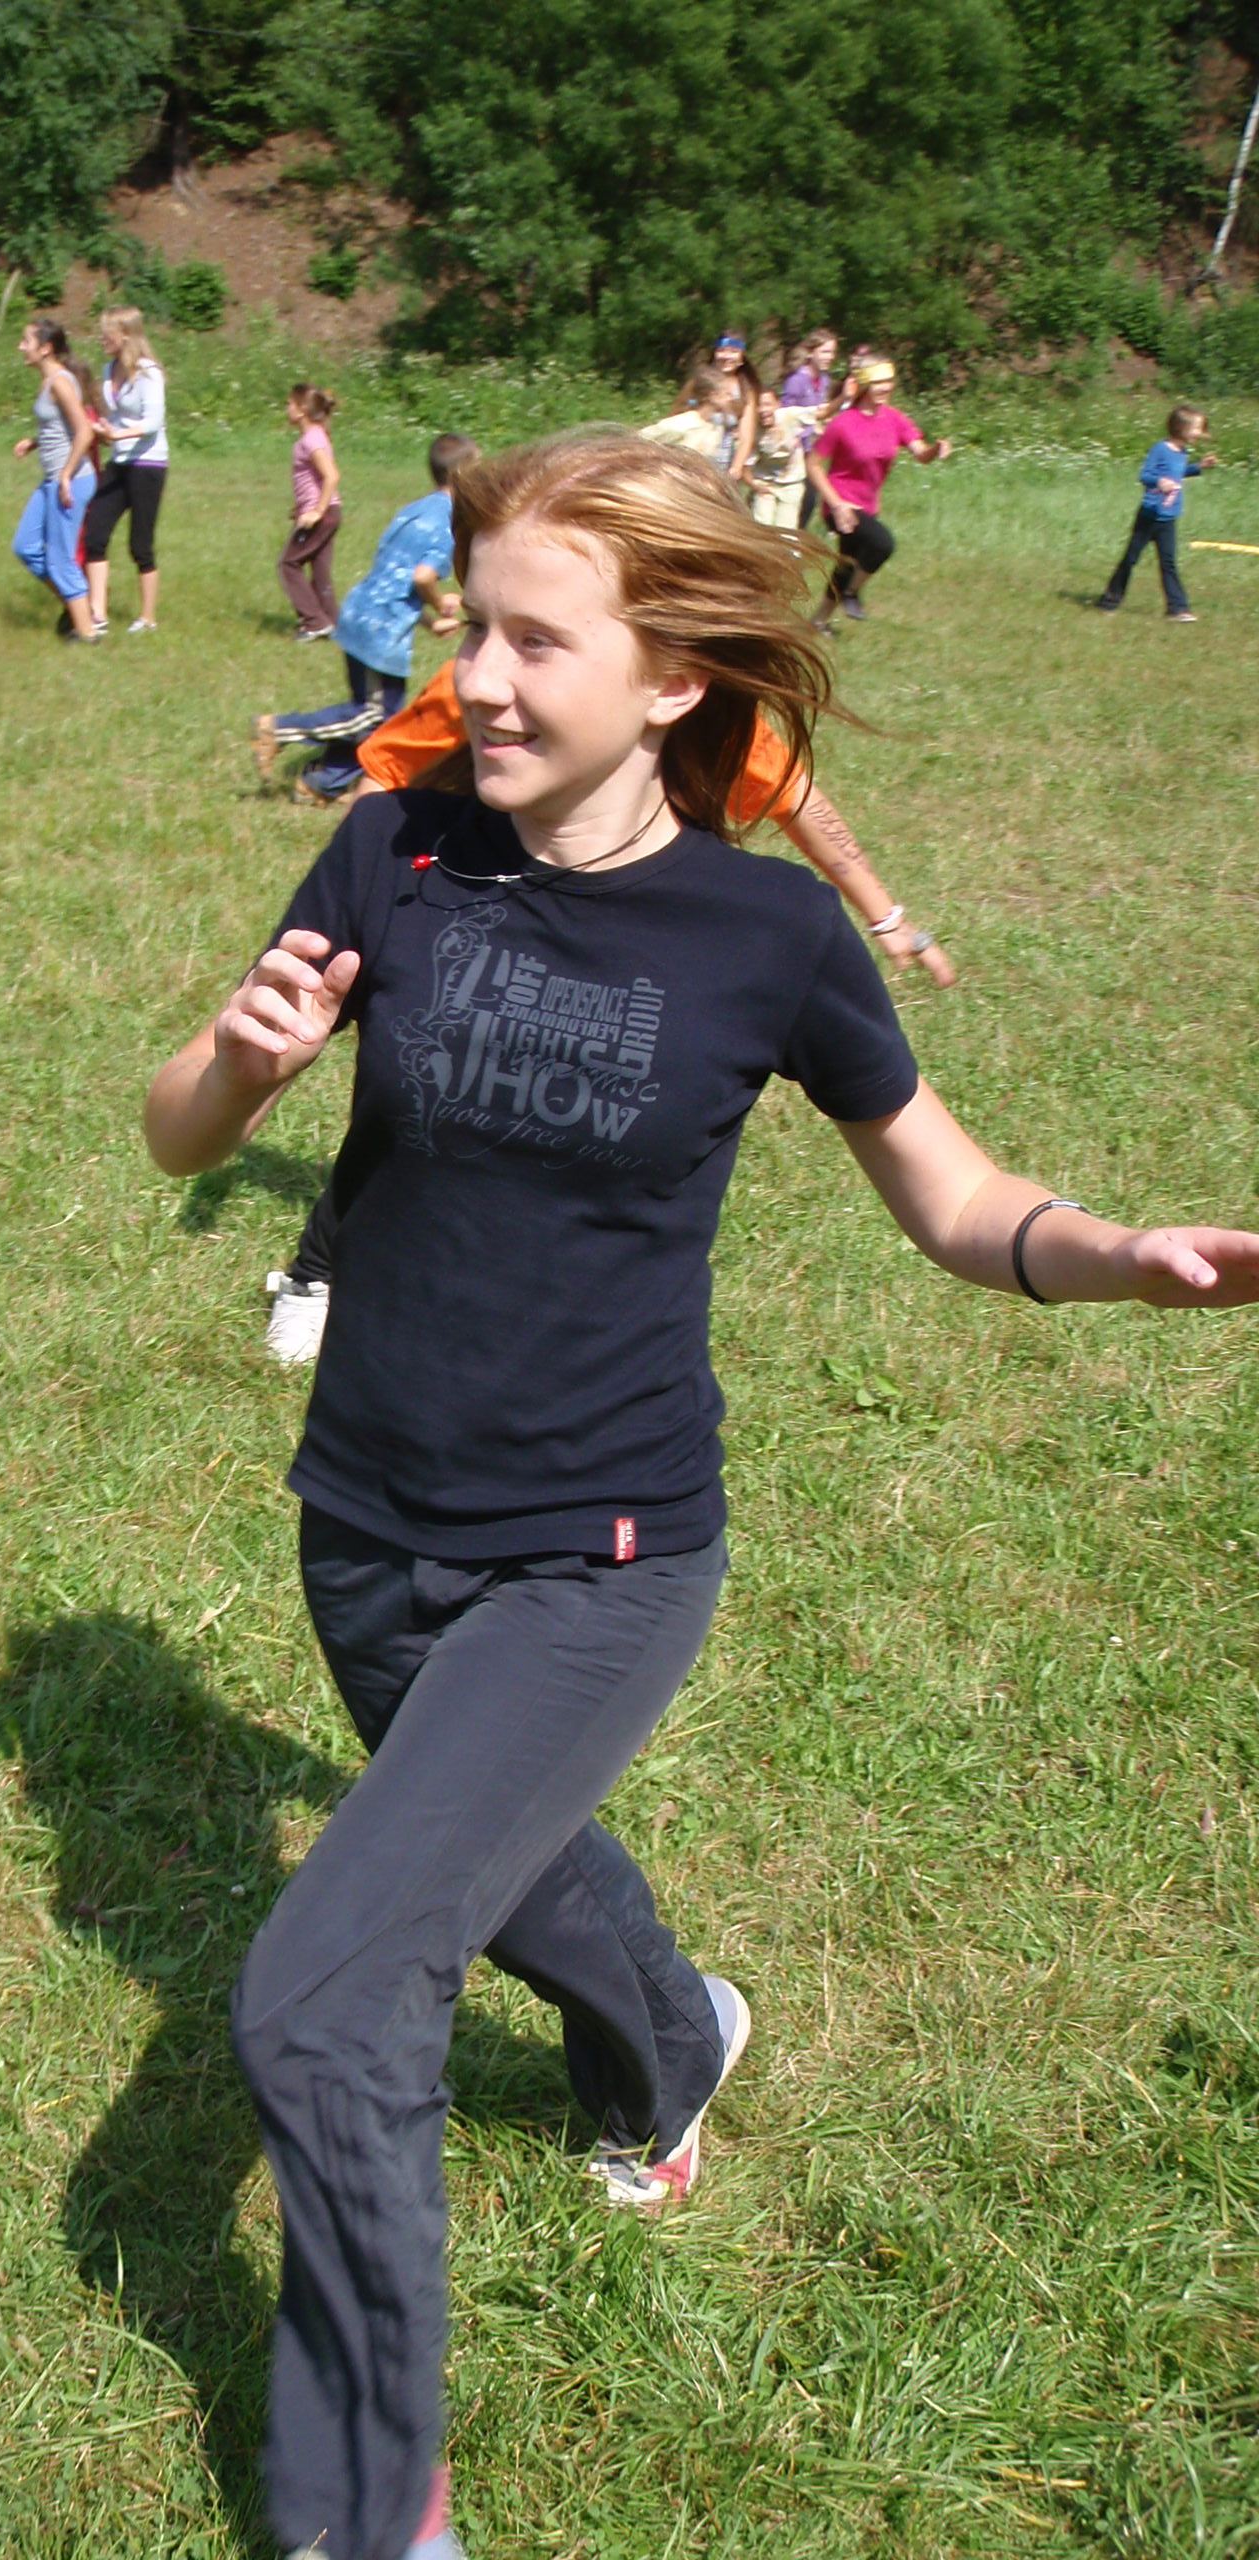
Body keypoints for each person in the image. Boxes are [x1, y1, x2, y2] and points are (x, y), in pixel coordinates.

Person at [144, 427, 1259, 2560]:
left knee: (326, 1992)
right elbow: (177, 1134)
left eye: (533, 639)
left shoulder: (764, 930)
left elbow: (953, 1194)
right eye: (471, 625)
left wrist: (1111, 1253)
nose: (477, 676)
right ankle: (674, 2046)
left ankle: (367, 2512)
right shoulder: (392, 853)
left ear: (672, 676)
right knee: (507, 1869)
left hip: (605, 1550)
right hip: (363, 1520)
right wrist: (238, 1068)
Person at [262, 653, 958, 1363]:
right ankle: (316, 1274)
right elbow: (386, 773)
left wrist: (885, 915)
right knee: (415, 1112)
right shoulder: (490, 674)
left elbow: (796, 797)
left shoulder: (691, 691)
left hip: (630, 936)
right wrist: (372, 901)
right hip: (469, 908)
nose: (488, 671)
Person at [251, 433, 479, 807]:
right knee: (376, 719)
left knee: (374, 712)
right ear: (465, 474)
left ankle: (320, 784)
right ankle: (279, 729)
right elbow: (422, 577)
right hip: (379, 632)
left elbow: (394, 579)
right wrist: (442, 605)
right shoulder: (447, 522)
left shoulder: (414, 510)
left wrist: (428, 622)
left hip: (362, 613)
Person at [805, 358, 951, 626]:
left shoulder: (894, 419)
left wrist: (936, 449)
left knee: (847, 564)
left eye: (888, 381)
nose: (885, 387)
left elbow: (920, 454)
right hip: (839, 505)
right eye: (878, 382)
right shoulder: (843, 423)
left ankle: (818, 621)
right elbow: (813, 464)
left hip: (867, 506)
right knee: (882, 544)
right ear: (864, 385)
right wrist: (836, 505)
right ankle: (851, 593)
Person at [10, 319, 99, 643]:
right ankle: (78, 609)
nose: (21, 347)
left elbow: (85, 431)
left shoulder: (60, 381)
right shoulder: (48, 381)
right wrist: (35, 442)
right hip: (54, 480)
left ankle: (88, 634)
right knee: (25, 547)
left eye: (26, 341)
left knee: (61, 558)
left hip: (71, 482)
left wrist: (65, 475)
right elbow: (61, 428)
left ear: (45, 348)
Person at [84, 307, 169, 635]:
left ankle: (148, 619)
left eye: (108, 332)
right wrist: (104, 429)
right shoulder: (109, 369)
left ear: (126, 335)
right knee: (95, 533)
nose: (102, 338)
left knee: (140, 545)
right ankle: (98, 615)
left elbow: (153, 423)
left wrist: (118, 435)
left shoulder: (149, 373)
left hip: (148, 464)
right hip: (119, 462)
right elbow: (115, 416)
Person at [1099, 403, 1217, 622]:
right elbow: (1145, 475)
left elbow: (1178, 473)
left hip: (1168, 519)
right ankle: (1109, 601)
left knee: (1168, 563)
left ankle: (1177, 609)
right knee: (1130, 559)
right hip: (1149, 517)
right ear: (1181, 428)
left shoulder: (1182, 452)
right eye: (1196, 428)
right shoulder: (1160, 449)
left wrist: (1198, 467)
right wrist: (1159, 481)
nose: (1200, 433)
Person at [280, 384, 343, 639]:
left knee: (288, 564)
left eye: (289, 404)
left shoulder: (311, 440)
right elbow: (313, 480)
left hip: (321, 516)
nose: (286, 409)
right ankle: (332, 621)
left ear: (302, 409)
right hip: (329, 512)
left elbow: (331, 475)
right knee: (320, 570)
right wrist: (301, 507)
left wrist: (316, 511)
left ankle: (314, 622)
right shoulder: (316, 436)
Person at [780, 329, 839, 528]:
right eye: (824, 352)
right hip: (795, 449)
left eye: (832, 352)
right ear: (811, 352)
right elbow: (786, 416)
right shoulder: (796, 380)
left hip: (812, 450)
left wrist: (825, 423)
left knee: (809, 500)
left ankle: (797, 537)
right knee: (798, 499)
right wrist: (810, 428)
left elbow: (819, 411)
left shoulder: (824, 380)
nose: (829, 357)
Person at [746, 386, 821, 531]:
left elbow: (821, 412)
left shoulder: (790, 416)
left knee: (786, 531)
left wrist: (844, 397)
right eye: (759, 405)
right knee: (762, 526)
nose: (763, 410)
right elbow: (745, 469)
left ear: (777, 405)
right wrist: (756, 487)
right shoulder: (753, 429)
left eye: (767, 404)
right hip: (765, 482)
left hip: (792, 482)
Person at [636, 367, 740, 468]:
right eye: (727, 394)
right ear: (713, 396)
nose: (731, 398)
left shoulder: (717, 426)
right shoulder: (682, 424)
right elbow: (640, 439)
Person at [709, 331, 760, 481]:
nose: (726, 356)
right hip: (694, 460)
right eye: (721, 350)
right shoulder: (700, 382)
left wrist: (736, 468)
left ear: (742, 357)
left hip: (723, 465)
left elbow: (746, 437)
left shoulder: (745, 390)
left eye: (733, 352)